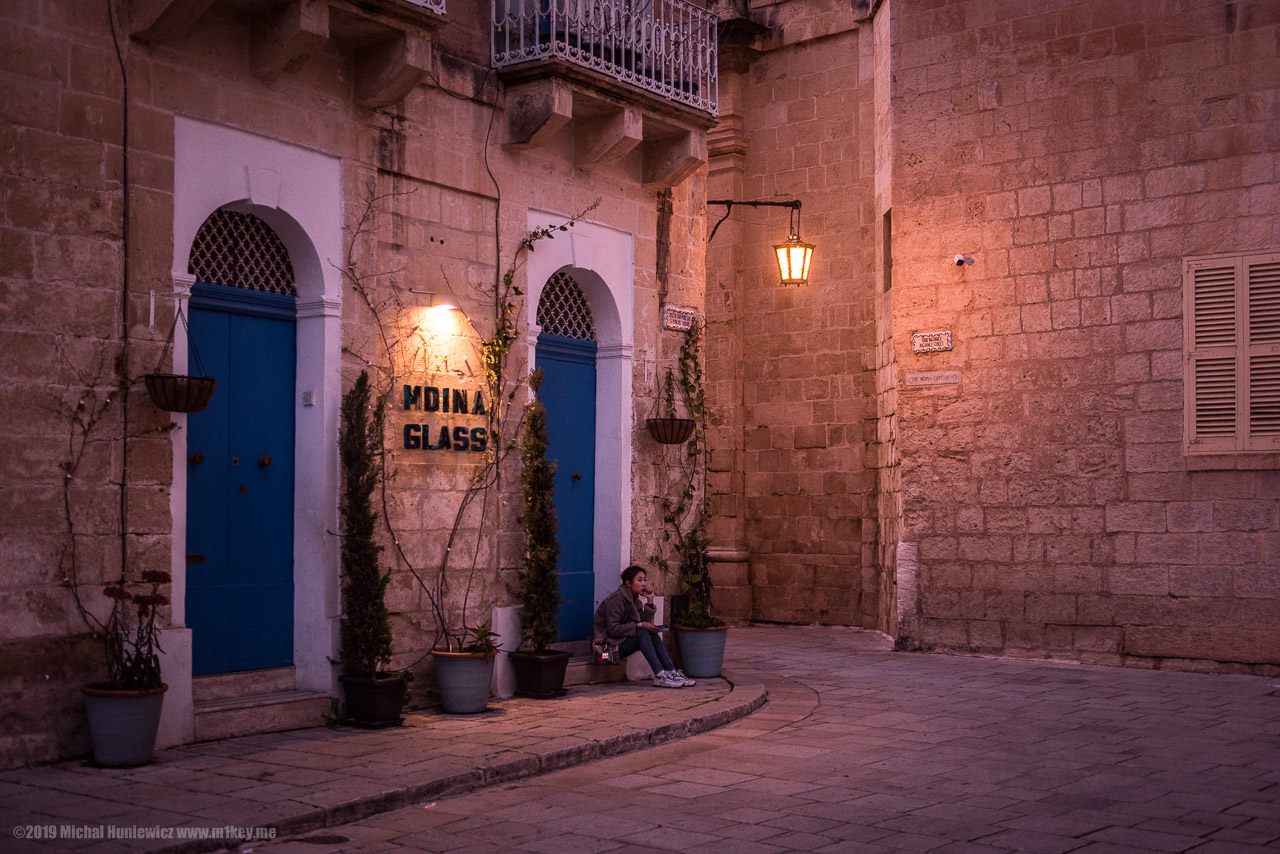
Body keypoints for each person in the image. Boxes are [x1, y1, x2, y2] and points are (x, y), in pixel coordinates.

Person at [593, 565, 695, 689]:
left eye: (645, 580)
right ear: (628, 583)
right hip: (604, 652)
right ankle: (659, 674)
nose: (644, 584)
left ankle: (670, 671)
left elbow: (644, 624)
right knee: (642, 633)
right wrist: (640, 625)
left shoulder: (636, 602)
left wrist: (650, 602)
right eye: (639, 580)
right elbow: (613, 629)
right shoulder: (617, 600)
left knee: (649, 632)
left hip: (618, 645)